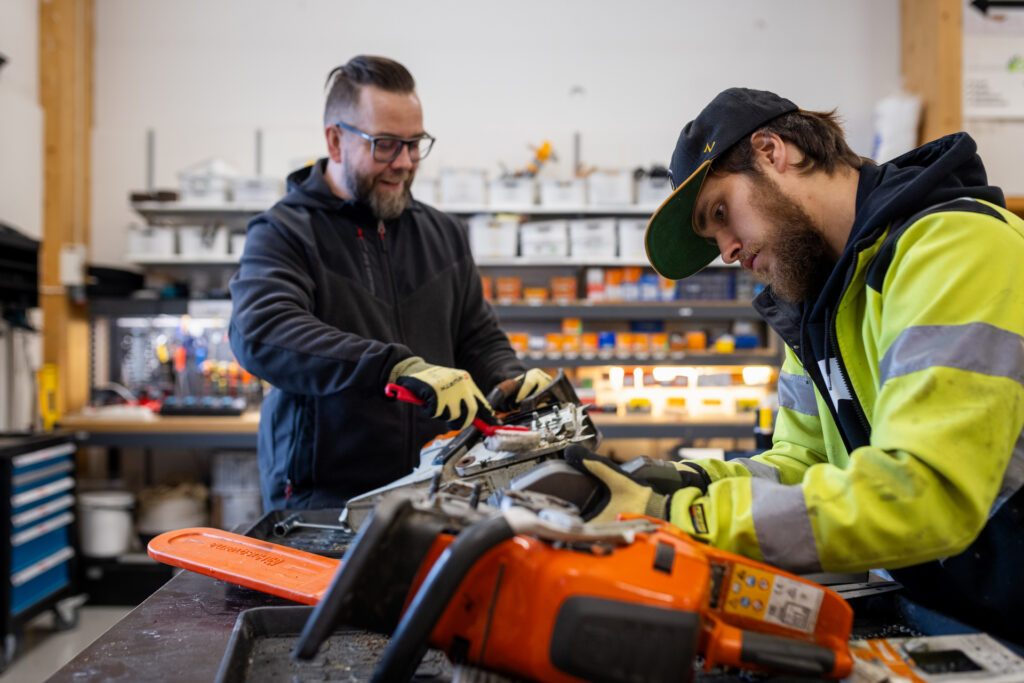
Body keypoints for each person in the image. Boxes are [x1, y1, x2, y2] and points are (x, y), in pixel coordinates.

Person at [566, 87, 1024, 643]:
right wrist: (685, 481)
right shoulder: (816, 305)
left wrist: (687, 517)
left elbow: (925, 490)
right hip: (950, 615)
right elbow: (803, 461)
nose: (729, 251)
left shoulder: (953, 248)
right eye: (715, 240)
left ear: (771, 151)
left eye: (721, 213)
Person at [229, 55, 550, 511]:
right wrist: (393, 368)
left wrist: (510, 380)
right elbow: (262, 330)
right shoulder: (285, 232)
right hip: (324, 501)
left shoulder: (442, 233)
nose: (404, 163)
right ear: (336, 142)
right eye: (385, 145)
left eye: (414, 143)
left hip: (437, 489)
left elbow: (476, 336)